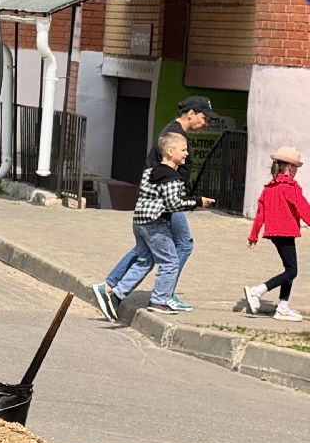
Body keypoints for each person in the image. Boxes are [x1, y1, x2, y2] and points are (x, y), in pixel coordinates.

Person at [94, 95, 215, 318]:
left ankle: (112, 289)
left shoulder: (175, 133)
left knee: (145, 254)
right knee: (180, 247)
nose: (206, 123)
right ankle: (161, 296)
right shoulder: (175, 137)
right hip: (163, 204)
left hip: (152, 207)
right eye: (204, 117)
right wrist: (196, 201)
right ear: (191, 114)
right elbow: (170, 187)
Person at [245, 146, 310, 321]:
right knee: (291, 271)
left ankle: (283, 307)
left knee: (290, 268)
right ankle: (257, 291)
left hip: (274, 233)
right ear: (290, 166)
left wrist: (253, 235)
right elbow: (303, 207)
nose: (296, 171)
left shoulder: (269, 187)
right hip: (285, 232)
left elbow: (260, 214)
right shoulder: (290, 186)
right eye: (296, 167)